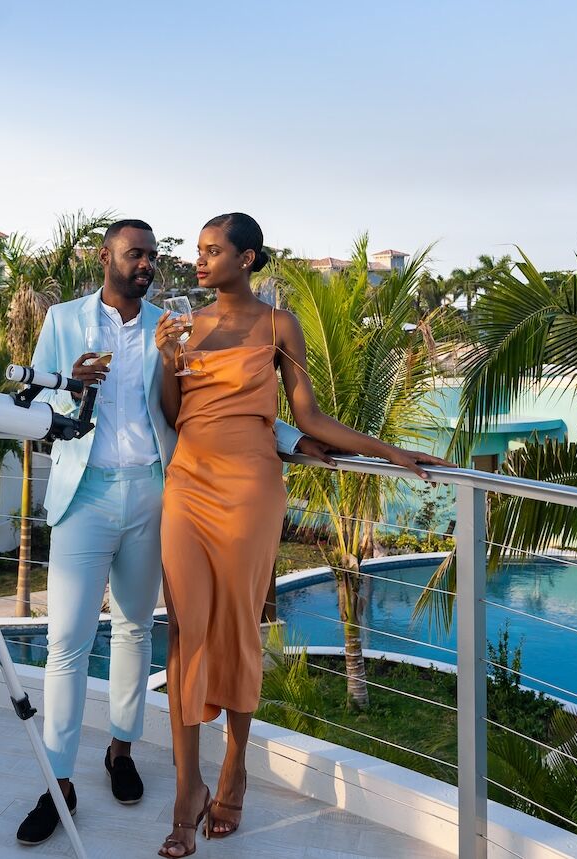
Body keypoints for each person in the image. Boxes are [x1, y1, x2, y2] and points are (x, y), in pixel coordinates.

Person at [15, 219, 331, 847]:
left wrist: (298, 440)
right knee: (66, 642)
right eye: (135, 255)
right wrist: (67, 389)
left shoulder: (177, 323)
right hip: (85, 494)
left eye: (153, 257)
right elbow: (30, 403)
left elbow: (209, 403)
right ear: (105, 257)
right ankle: (58, 784)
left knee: (137, 628)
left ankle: (122, 753)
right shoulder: (62, 322)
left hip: (157, 495)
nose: (147, 265)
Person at [152, 212, 444, 858]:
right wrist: (168, 362)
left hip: (251, 487)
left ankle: (233, 770)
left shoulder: (280, 323)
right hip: (188, 484)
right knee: (183, 629)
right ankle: (185, 791)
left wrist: (389, 450)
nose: (200, 261)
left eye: (213, 250)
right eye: (198, 250)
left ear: (248, 258)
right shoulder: (184, 326)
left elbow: (307, 414)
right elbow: (175, 414)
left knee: (236, 625)